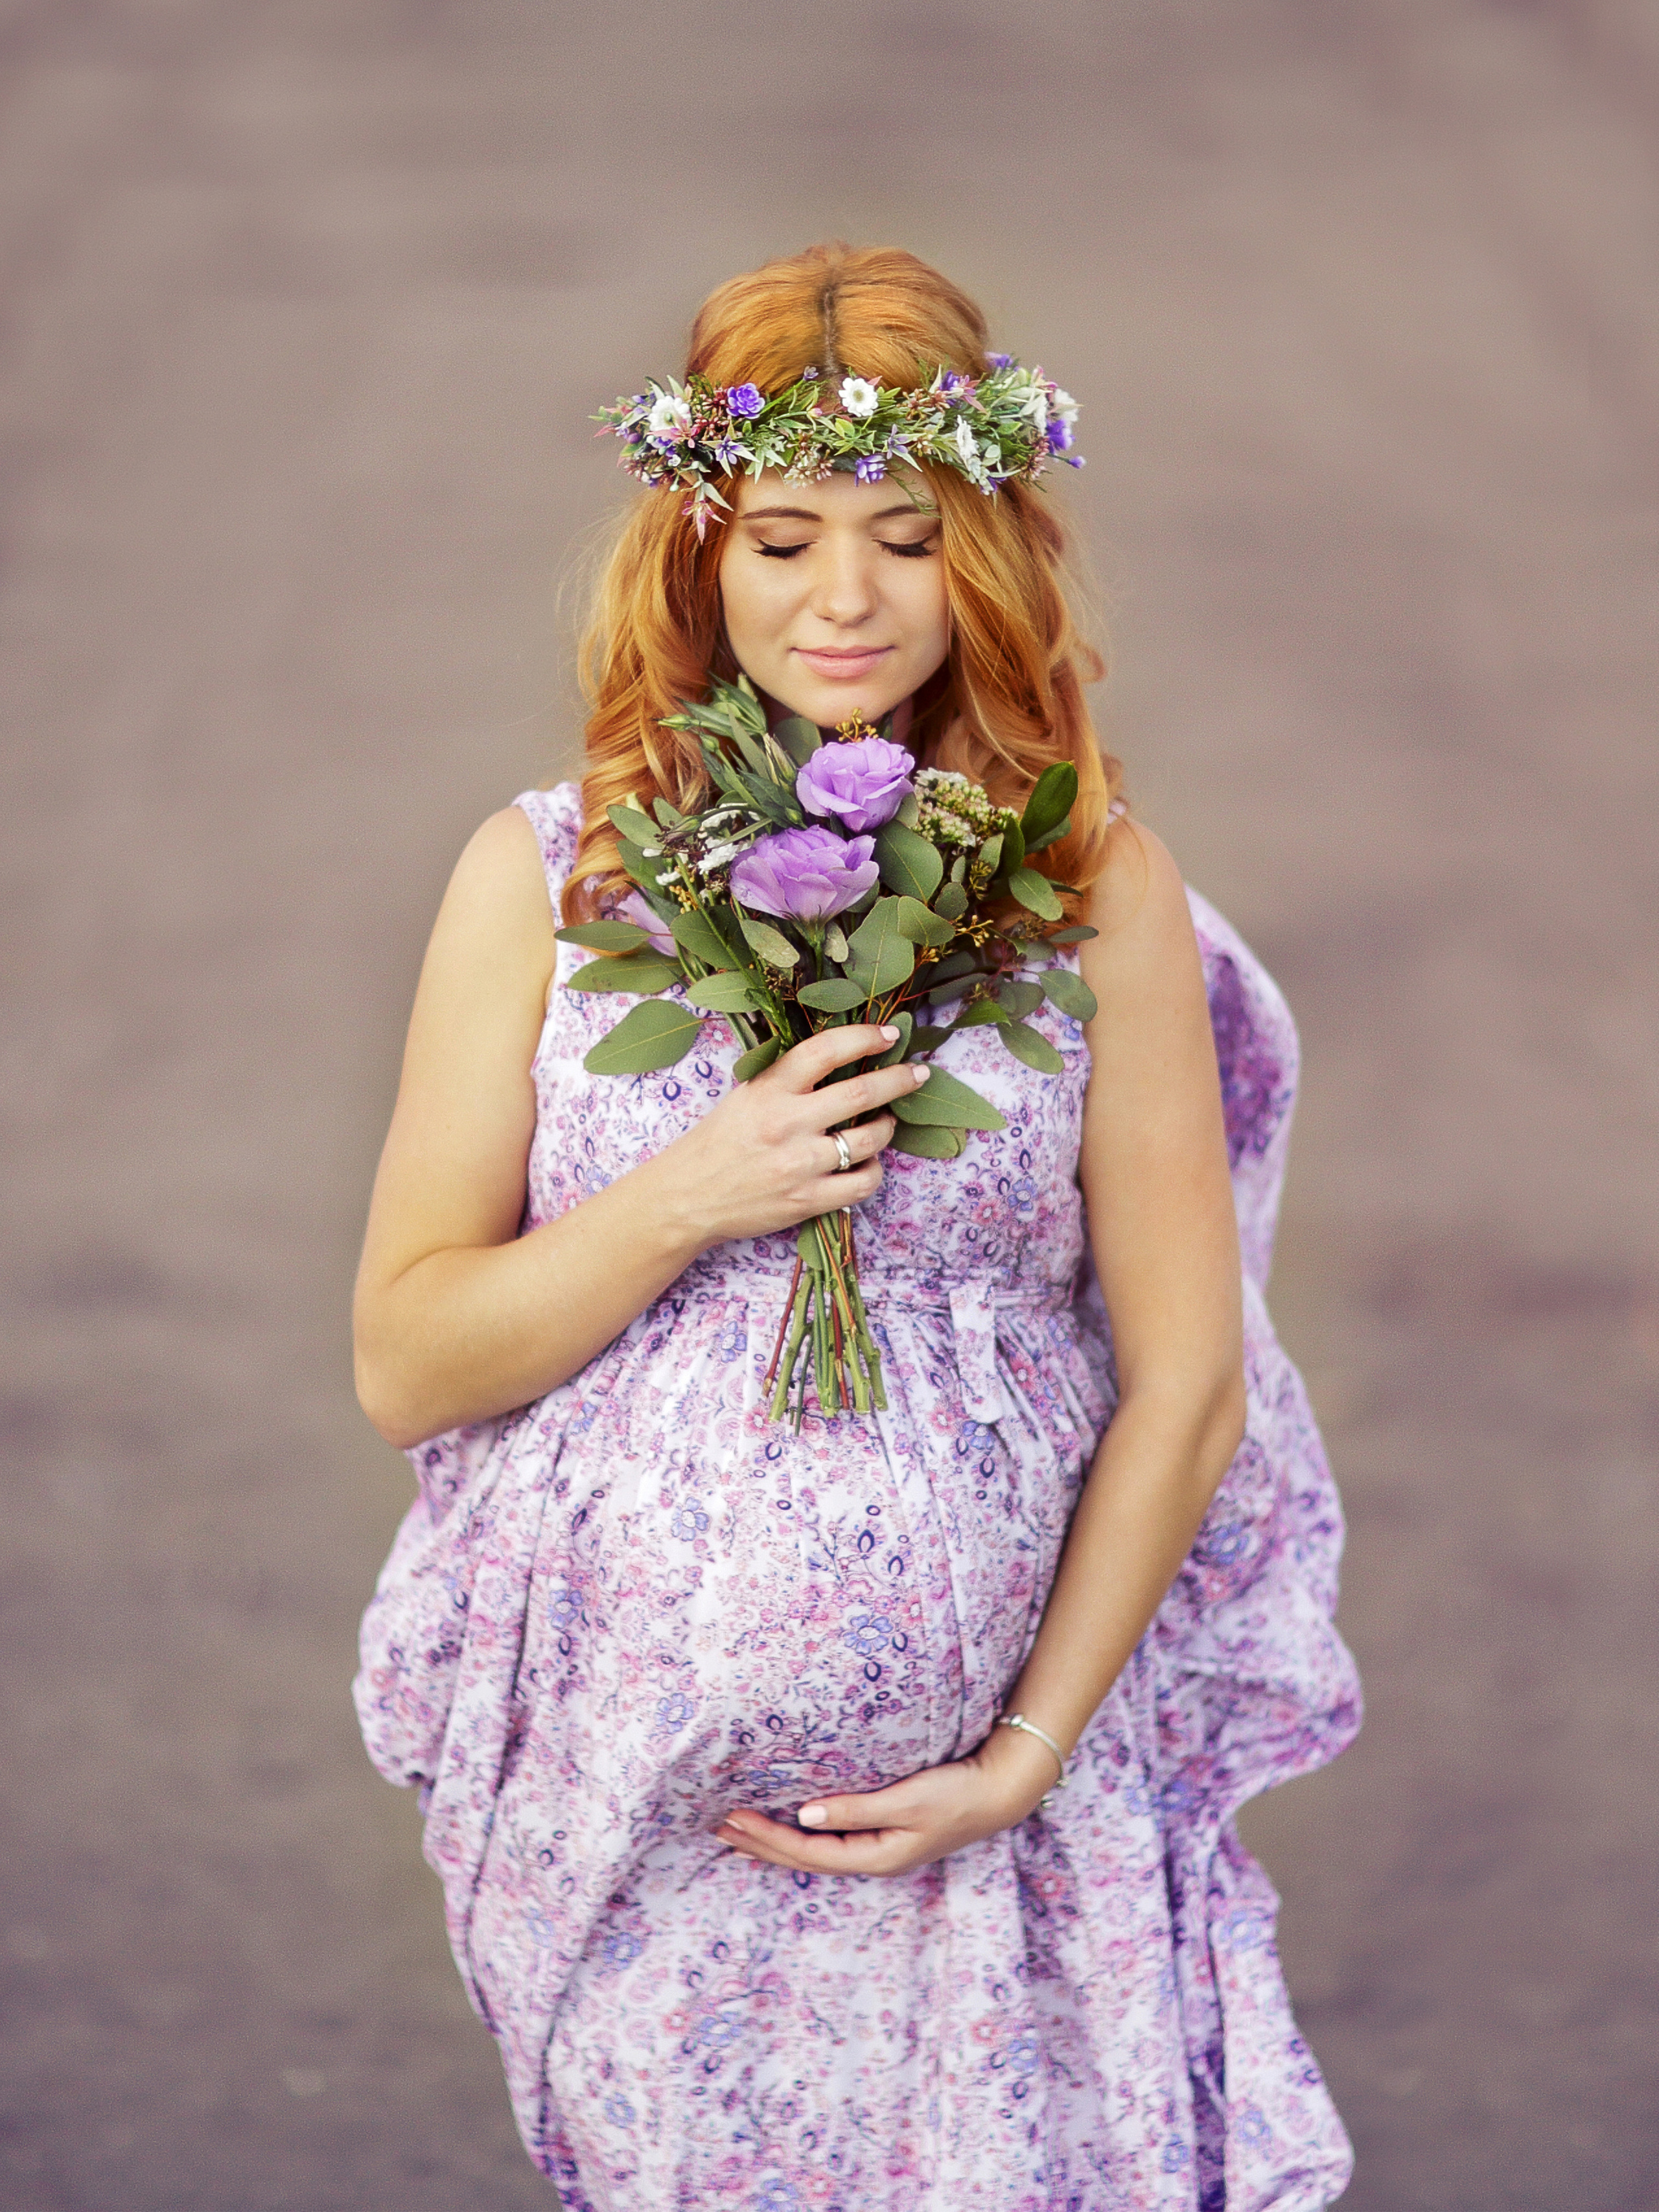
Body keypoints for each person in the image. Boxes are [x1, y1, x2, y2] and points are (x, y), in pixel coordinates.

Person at [351, 242, 1362, 2209]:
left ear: (981, 551)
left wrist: (1029, 1744)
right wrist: (684, 1201)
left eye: (906, 538)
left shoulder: (1092, 890)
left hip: (1001, 1825)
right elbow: (408, 1349)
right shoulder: (542, 884)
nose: (843, 596)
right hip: (649, 1804)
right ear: (699, 553)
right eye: (786, 535)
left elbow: (1184, 1382)